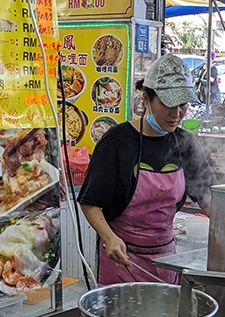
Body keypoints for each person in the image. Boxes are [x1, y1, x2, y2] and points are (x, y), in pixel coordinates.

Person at [78, 54, 215, 285]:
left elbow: (207, 198)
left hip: (166, 261)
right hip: (121, 259)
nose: (176, 114)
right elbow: (90, 202)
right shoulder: (118, 141)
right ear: (146, 99)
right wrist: (109, 237)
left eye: (183, 105)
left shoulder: (187, 144)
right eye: (168, 104)